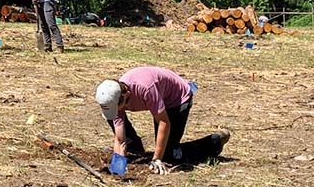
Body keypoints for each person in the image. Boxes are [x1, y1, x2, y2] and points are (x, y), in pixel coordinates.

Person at [94, 66, 230, 175]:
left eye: (117, 107)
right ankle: (135, 149)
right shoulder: (114, 98)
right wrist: (119, 164)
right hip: (159, 96)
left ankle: (214, 142)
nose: (116, 111)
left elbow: (164, 122)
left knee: (169, 154)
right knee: (115, 123)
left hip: (177, 99)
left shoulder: (145, 89)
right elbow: (120, 138)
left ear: (126, 96)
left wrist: (157, 159)